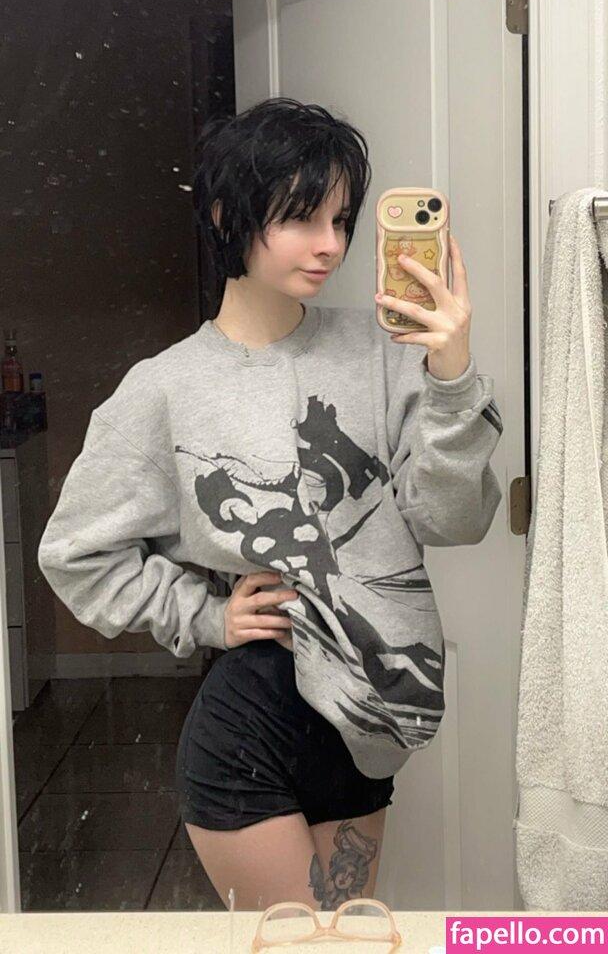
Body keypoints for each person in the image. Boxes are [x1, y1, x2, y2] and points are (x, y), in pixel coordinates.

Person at [37, 97, 503, 911]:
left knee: (348, 944)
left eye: (342, 220)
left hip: (369, 722)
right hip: (251, 720)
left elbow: (453, 522)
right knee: (296, 949)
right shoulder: (164, 389)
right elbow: (75, 553)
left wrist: (452, 377)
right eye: (300, 218)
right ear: (228, 215)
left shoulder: (387, 355)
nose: (331, 245)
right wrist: (205, 616)